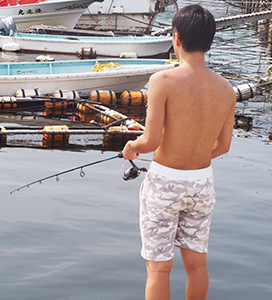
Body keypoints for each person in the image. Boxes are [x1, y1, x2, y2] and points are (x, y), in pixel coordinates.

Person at [122, 4, 236, 300]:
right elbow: (224, 146)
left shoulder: (163, 81)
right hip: (202, 185)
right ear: (209, 42)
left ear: (176, 39)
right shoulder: (226, 90)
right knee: (197, 264)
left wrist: (131, 147)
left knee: (159, 269)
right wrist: (195, 155)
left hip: (165, 185)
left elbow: (150, 141)